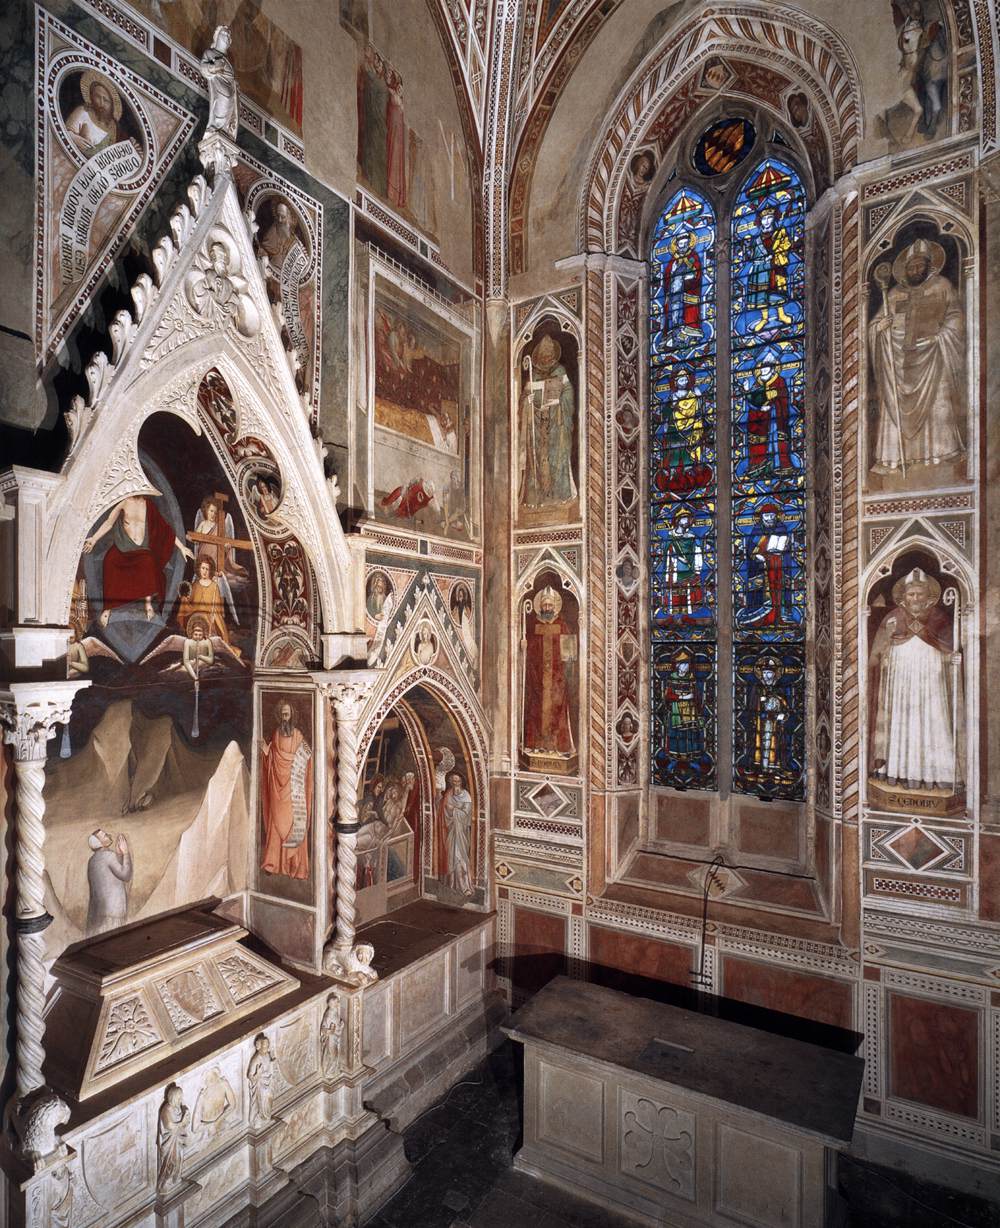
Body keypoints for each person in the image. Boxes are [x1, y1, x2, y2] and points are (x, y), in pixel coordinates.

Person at [869, 237, 965, 473]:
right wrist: (880, 328)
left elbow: (956, 317)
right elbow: (876, 325)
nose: (915, 270)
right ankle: (892, 459)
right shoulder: (893, 293)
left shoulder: (941, 286)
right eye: (910, 267)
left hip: (932, 355)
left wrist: (940, 337)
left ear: (929, 265)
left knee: (939, 406)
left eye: (919, 265)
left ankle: (940, 454)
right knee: (892, 410)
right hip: (900, 362)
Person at [868, 567, 962, 793]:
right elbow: (876, 655)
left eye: (920, 593)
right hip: (901, 684)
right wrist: (885, 654)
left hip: (931, 684)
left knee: (933, 719)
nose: (915, 598)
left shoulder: (939, 618)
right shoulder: (893, 618)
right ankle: (898, 770)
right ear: (903, 596)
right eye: (911, 594)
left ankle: (937, 774)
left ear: (929, 595)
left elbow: (949, 647)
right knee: (901, 722)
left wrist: (953, 658)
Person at [83, 496, 193, 626]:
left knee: (149, 562)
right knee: (109, 560)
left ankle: (148, 605)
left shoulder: (148, 505)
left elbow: (165, 529)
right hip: (123, 546)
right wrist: (94, 539)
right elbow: (109, 522)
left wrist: (182, 548)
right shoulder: (124, 502)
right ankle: (108, 608)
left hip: (142, 549)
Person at [519, 335, 577, 510]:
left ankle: (558, 496)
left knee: (557, 457)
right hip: (537, 425)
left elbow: (568, 394)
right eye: (544, 355)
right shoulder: (533, 374)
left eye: (549, 354)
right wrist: (527, 401)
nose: (547, 358)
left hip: (555, 423)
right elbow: (523, 398)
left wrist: (559, 401)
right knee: (536, 459)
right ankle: (536, 497)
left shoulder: (560, 371)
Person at [259, 701, 312, 879]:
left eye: (287, 713)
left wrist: (294, 760)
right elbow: (272, 756)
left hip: (293, 786)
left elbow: (307, 755)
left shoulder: (298, 735)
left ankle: (294, 864)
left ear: (292, 715)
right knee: (275, 822)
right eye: (282, 713)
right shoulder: (276, 733)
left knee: (293, 823)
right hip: (277, 787)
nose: (285, 716)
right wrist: (266, 751)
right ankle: (273, 863)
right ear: (279, 715)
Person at [521, 585, 576, 757]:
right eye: (544, 605)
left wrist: (567, 672)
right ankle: (537, 744)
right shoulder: (533, 625)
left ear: (554, 606)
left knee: (556, 711)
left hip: (556, 679)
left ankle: (556, 746)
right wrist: (523, 645)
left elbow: (570, 653)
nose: (547, 608)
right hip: (536, 678)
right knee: (536, 710)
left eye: (549, 605)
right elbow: (528, 648)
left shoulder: (562, 625)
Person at [739, 503, 792, 628]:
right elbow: (750, 549)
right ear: (761, 517)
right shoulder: (756, 530)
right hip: (761, 567)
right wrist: (757, 556)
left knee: (779, 590)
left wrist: (784, 547)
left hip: (777, 565)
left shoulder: (782, 528)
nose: (769, 518)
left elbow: (787, 548)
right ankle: (761, 619)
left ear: (776, 516)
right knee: (762, 592)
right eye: (766, 516)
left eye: (772, 515)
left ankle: (779, 617)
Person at [742, 357, 794, 478]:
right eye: (762, 367)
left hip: (776, 417)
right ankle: (759, 466)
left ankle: (783, 466)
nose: (763, 369)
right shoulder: (756, 383)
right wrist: (748, 392)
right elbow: (752, 401)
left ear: (772, 368)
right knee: (758, 442)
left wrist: (773, 401)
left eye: (766, 367)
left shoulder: (779, 381)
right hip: (760, 419)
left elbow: (783, 397)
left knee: (778, 440)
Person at [746, 204, 793, 332]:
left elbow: (785, 247)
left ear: (774, 219)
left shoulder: (780, 234)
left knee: (776, 292)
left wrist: (774, 257)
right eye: (763, 219)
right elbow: (752, 255)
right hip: (760, 269)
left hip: (774, 267)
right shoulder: (757, 239)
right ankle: (764, 318)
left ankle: (781, 314)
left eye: (769, 218)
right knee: (761, 294)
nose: (766, 221)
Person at [177, 556, 238, 649]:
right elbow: (190, 604)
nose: (204, 571)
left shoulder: (214, 586)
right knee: (195, 622)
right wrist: (184, 599)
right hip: (195, 615)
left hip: (211, 616)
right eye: (203, 568)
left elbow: (218, 607)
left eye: (207, 569)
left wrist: (214, 616)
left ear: (210, 570)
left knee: (211, 627)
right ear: (199, 569)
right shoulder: (195, 585)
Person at [65, 71, 124, 155]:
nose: (101, 103)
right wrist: (73, 137)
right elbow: (66, 132)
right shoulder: (83, 111)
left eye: (106, 100)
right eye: (97, 96)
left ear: (112, 105)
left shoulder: (113, 127)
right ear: (91, 96)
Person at [86, 829, 132, 935]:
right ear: (100, 843)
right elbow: (126, 875)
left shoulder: (93, 860)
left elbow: (114, 873)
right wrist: (125, 853)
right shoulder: (109, 856)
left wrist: (119, 855)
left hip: (98, 913)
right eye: (105, 835)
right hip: (113, 911)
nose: (108, 835)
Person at [662, 229, 703, 337]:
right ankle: (674, 328)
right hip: (675, 289)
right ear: (677, 245)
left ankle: (691, 331)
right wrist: (672, 272)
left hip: (689, 288)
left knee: (689, 309)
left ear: (689, 243)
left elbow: (697, 271)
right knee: (674, 308)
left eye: (685, 243)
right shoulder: (673, 259)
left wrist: (690, 275)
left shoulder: (693, 256)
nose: (683, 246)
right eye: (681, 244)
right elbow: (667, 274)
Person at [201, 26, 238, 139]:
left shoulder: (227, 60)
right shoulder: (210, 53)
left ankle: (224, 130)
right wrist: (214, 67)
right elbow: (203, 67)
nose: (227, 37)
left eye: (228, 36)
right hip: (219, 83)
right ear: (216, 37)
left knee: (230, 109)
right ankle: (215, 128)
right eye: (224, 34)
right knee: (223, 102)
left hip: (230, 87)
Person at [440, 772, 473, 895]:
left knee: (461, 858)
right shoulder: (448, 794)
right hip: (452, 832)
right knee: (451, 857)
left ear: (461, 782)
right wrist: (447, 809)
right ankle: (452, 883)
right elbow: (443, 814)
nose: (455, 784)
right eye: (453, 782)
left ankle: (465, 886)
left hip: (462, 833)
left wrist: (453, 809)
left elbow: (466, 816)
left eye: (457, 781)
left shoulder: (466, 796)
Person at [156, 1084, 189, 1192]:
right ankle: (164, 1184)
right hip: (169, 1142)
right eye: (179, 1098)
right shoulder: (167, 1109)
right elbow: (168, 1125)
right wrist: (182, 1122)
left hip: (178, 1140)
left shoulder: (177, 1107)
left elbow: (182, 1123)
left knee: (179, 1159)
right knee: (171, 1162)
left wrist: (185, 1115)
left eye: (181, 1097)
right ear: (173, 1097)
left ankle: (176, 1179)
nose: (181, 1100)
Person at [247, 1035, 274, 1125]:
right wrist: (257, 1074)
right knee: (262, 1101)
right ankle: (262, 1118)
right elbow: (250, 1075)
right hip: (260, 1084)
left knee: (269, 1098)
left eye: (267, 1046)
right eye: (264, 1046)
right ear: (259, 1047)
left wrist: (272, 1062)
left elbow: (269, 1064)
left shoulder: (267, 1055)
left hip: (268, 1082)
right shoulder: (256, 1059)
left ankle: (267, 1116)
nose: (266, 1048)